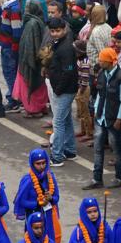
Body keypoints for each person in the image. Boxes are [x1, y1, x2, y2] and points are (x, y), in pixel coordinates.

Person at [84, 47, 121, 189]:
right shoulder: (102, 74)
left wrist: (119, 119)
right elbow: (100, 95)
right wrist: (96, 113)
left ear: (109, 62)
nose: (99, 62)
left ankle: (119, 177)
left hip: (113, 119)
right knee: (97, 149)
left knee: (116, 149)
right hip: (101, 118)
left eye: (102, 60)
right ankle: (97, 179)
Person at [43, 16, 77, 164]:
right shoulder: (58, 43)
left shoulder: (66, 48)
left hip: (65, 90)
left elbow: (68, 71)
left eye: (57, 31)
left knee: (58, 122)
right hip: (63, 88)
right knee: (66, 120)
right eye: (52, 31)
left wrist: (58, 89)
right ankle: (69, 150)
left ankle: (56, 156)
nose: (55, 33)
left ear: (64, 30)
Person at [13, 150, 62, 243]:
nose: (42, 166)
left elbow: (56, 197)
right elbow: (21, 201)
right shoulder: (27, 180)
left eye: (44, 163)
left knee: (49, 241)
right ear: (32, 163)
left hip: (48, 216)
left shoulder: (50, 177)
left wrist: (51, 198)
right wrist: (38, 203)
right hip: (33, 216)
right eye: (38, 163)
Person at [13, 1, 48, 118]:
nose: (25, 10)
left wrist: (29, 61)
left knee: (29, 83)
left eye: (27, 8)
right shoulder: (38, 21)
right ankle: (40, 107)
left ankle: (33, 109)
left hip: (28, 61)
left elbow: (30, 46)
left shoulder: (31, 24)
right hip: (36, 60)